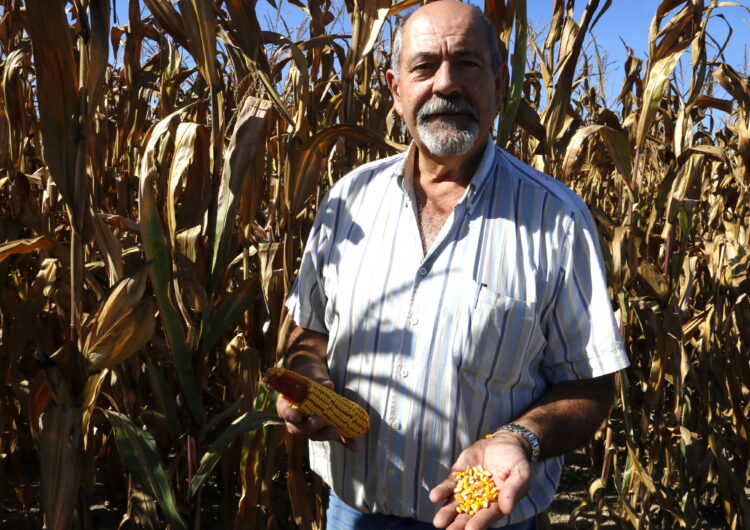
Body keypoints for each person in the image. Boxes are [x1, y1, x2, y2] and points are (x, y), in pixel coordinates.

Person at [277, 1, 630, 528]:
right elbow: (311, 328)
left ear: (499, 81)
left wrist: (522, 438)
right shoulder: (347, 202)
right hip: (354, 513)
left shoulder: (556, 219)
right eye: (424, 67)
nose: (446, 84)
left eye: (467, 63)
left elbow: (591, 383)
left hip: (489, 519)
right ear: (396, 90)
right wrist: (307, 376)